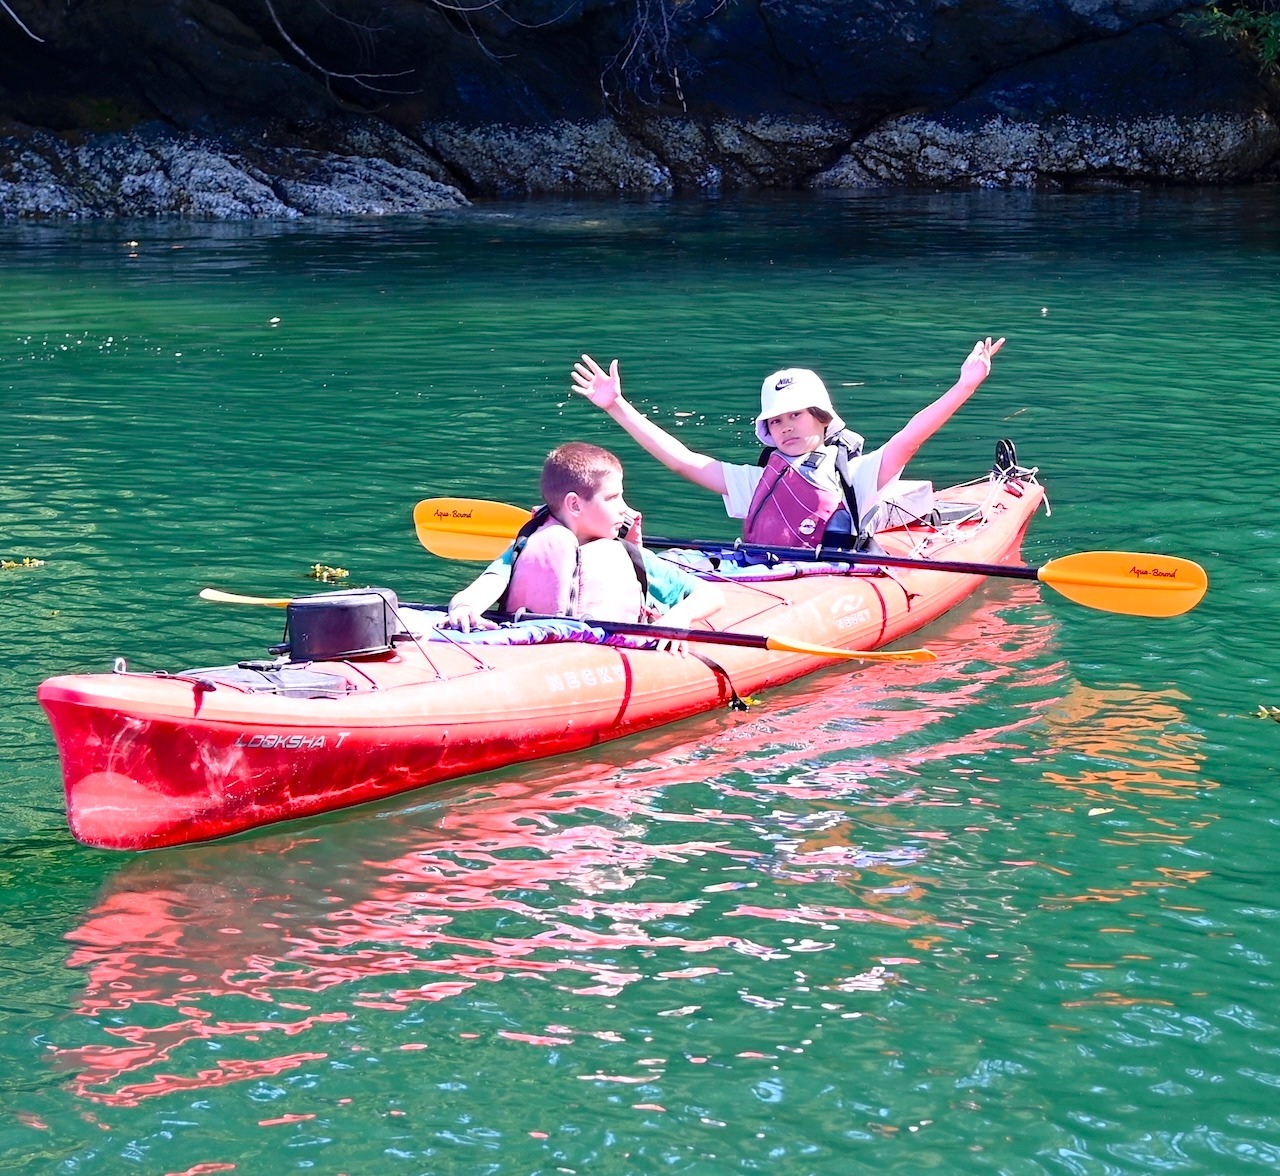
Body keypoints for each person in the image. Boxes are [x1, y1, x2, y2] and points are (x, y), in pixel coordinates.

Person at [571, 338, 1005, 548]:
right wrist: (617, 406)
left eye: (795, 415)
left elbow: (910, 438)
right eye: (776, 421)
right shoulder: (758, 481)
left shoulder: (855, 474)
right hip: (763, 578)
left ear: (821, 417)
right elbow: (682, 461)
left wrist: (964, 386)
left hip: (831, 583)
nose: (785, 427)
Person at [445, 441, 722, 635]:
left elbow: (710, 594)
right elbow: (487, 584)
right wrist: (465, 606)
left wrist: (680, 616)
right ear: (575, 504)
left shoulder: (630, 556)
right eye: (612, 498)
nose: (624, 508)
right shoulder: (526, 549)